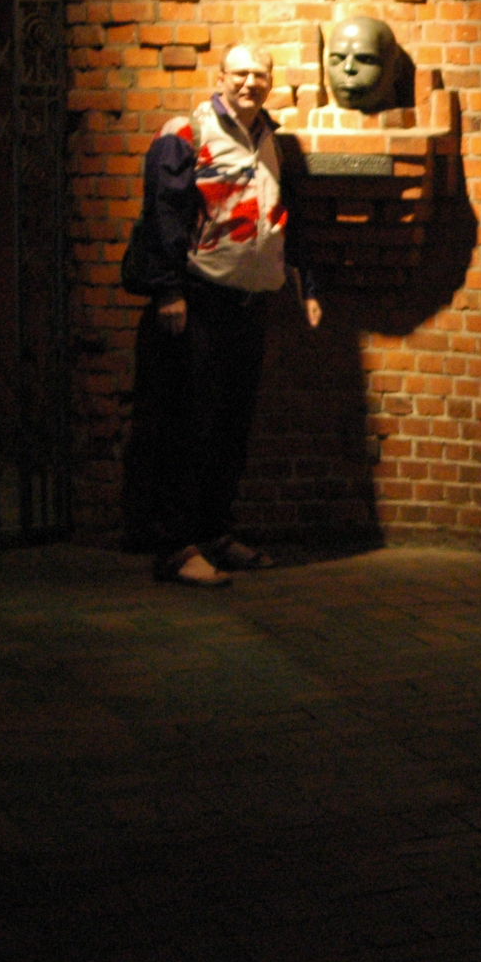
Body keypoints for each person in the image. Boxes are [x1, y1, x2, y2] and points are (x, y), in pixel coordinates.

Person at [122, 43, 323, 588]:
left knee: (230, 427)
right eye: (239, 73)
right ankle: (175, 546)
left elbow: (289, 218)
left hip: (248, 305)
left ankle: (213, 533)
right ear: (220, 78)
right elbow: (163, 216)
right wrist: (169, 292)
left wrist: (307, 286)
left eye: (260, 74)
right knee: (185, 425)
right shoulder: (185, 134)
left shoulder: (273, 142)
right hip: (197, 302)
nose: (250, 82)